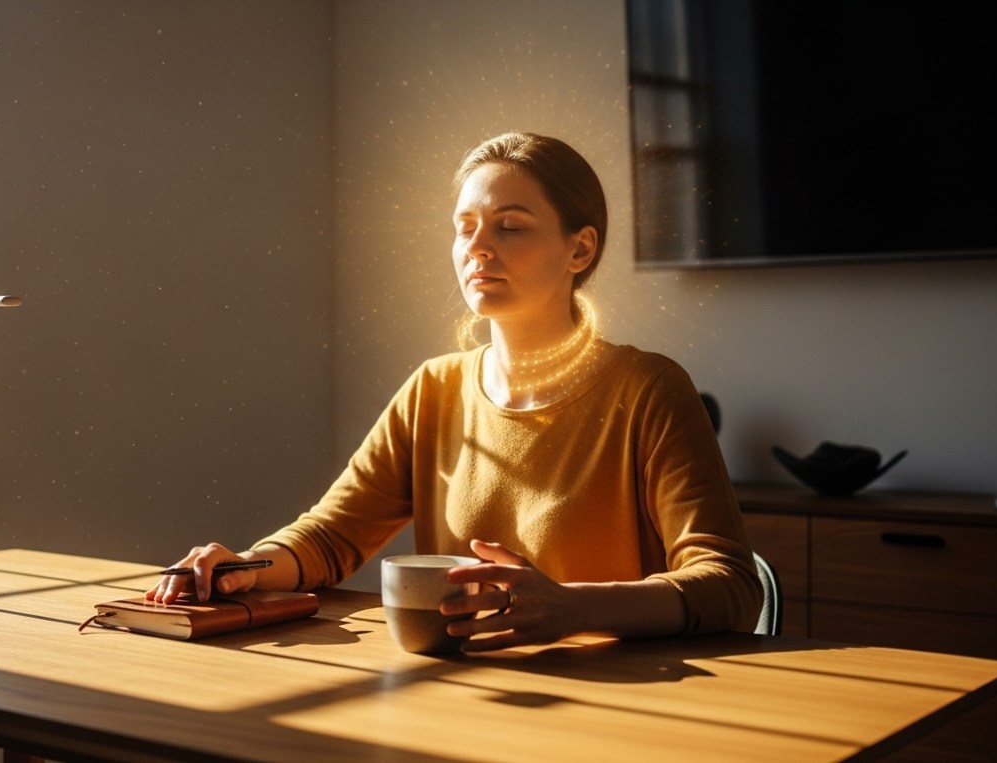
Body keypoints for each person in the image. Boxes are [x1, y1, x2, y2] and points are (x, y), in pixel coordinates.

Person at [150, 132, 761, 651]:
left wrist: (574, 608)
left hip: (621, 702)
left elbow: (730, 585)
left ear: (580, 248)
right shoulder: (433, 389)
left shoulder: (649, 390)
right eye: (464, 228)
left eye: (510, 227)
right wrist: (247, 569)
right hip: (459, 695)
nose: (477, 247)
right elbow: (332, 536)